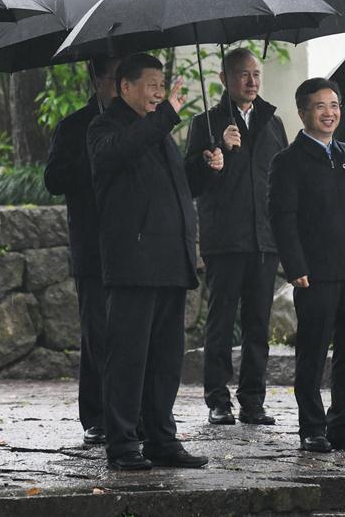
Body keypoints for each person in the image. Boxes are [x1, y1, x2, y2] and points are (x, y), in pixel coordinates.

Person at [87, 52, 223, 470]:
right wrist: (164, 117)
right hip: (134, 262)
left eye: (162, 86)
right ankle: (123, 442)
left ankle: (162, 439)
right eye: (151, 85)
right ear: (124, 87)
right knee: (128, 357)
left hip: (169, 260)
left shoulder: (157, 132)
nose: (159, 94)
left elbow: (174, 187)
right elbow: (120, 154)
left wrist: (204, 167)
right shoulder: (104, 128)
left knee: (166, 360)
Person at [269, 78, 345, 453]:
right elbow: (281, 218)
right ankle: (312, 428)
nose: (329, 113)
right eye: (320, 106)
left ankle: (342, 425)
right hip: (315, 273)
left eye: (334, 105)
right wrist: (295, 265)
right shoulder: (287, 161)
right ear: (303, 112)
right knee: (313, 351)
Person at [184, 47, 286, 426]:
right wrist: (218, 151)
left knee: (259, 323)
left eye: (256, 74)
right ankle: (217, 399)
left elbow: (283, 179)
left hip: (265, 240)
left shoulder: (273, 123)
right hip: (225, 238)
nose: (252, 81)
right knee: (221, 322)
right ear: (224, 80)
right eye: (243, 74)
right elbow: (191, 181)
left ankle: (253, 400)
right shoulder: (206, 124)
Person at [43, 55, 120, 446]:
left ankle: (128, 412)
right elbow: (53, 179)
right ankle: (96, 414)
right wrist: (92, 157)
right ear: (96, 80)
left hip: (131, 244)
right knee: (97, 332)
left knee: (129, 335)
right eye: (113, 78)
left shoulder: (136, 125)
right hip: (92, 245)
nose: (119, 86)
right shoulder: (73, 126)